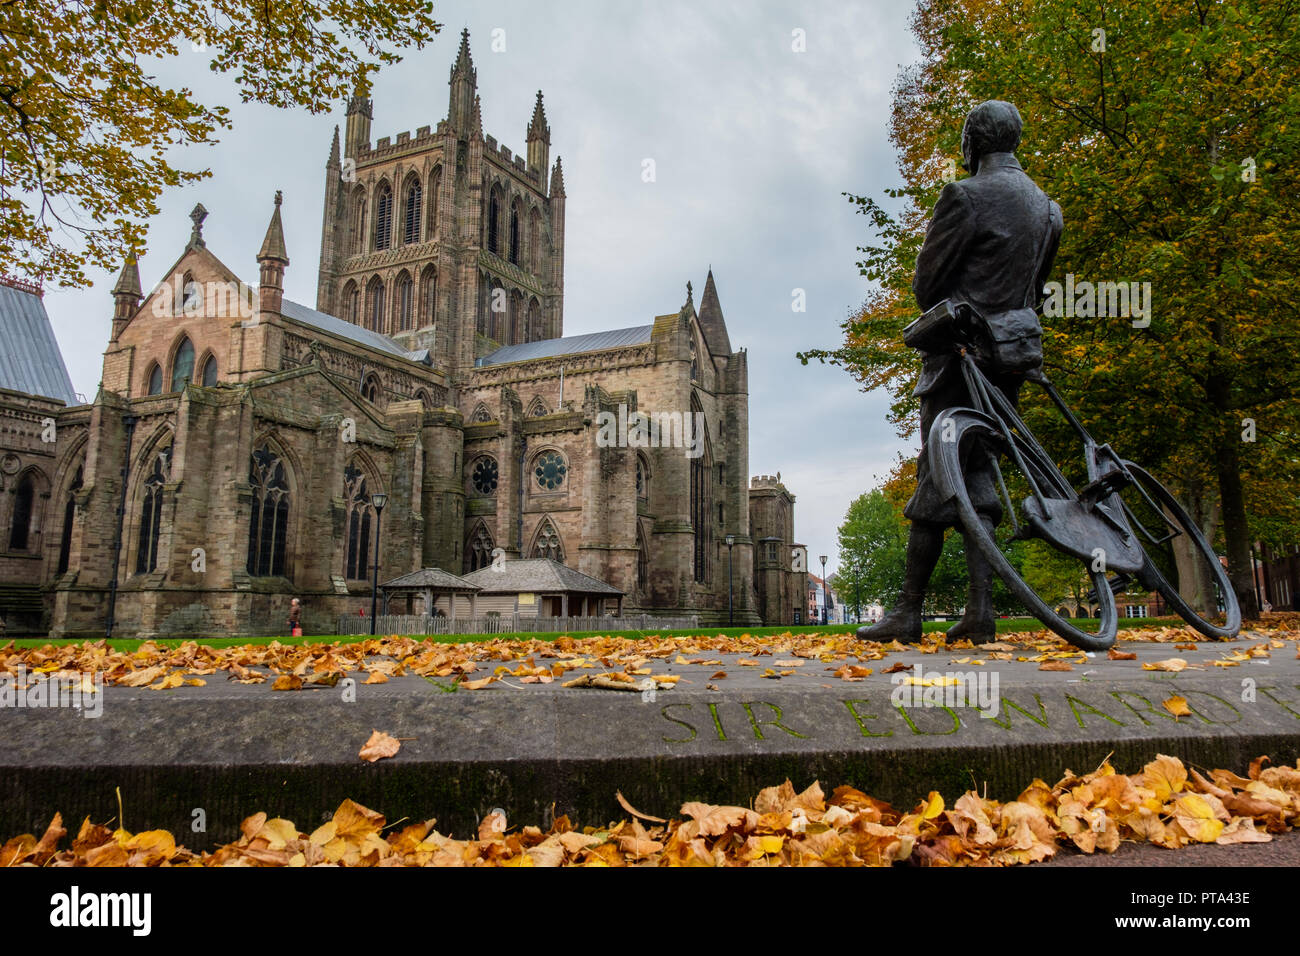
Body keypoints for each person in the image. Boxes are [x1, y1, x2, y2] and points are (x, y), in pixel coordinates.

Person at [860, 99, 1063, 645]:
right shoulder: (1048, 208)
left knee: (938, 468)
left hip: (961, 356)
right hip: (1012, 357)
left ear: (971, 143)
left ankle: (907, 611)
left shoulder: (964, 196)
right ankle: (981, 611)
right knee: (979, 471)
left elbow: (927, 286)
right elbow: (1035, 288)